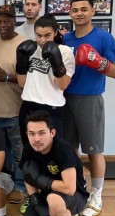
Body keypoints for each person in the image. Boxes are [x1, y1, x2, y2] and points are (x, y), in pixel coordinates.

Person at [63, 0, 115, 216]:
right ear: (70, 13)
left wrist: (98, 61)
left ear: (92, 12)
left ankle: (96, 195)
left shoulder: (103, 38)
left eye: (83, 9)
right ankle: (77, 191)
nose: (79, 13)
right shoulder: (66, 39)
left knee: (94, 150)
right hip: (65, 99)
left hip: (90, 99)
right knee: (69, 150)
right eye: (75, 10)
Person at [17, 110, 88, 216]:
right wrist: (34, 199)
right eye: (32, 133)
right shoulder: (29, 149)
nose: (36, 138)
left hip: (74, 195)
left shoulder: (63, 149)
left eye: (42, 133)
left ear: (52, 132)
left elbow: (69, 188)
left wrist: (42, 181)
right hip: (46, 195)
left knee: (54, 199)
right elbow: (28, 177)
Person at [0, 5, 26, 207]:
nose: (2, 25)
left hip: (15, 110)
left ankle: (19, 186)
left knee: (18, 152)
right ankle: (3, 185)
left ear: (15, 20)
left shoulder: (25, 44)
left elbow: (32, 78)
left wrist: (8, 77)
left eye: (6, 20)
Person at [17, 15, 75, 143]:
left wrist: (56, 62)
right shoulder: (30, 50)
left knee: (54, 151)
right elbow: (22, 83)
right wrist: (21, 62)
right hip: (28, 106)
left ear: (55, 32)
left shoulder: (64, 52)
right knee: (29, 149)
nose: (42, 40)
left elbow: (63, 85)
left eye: (47, 35)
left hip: (52, 107)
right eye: (38, 35)